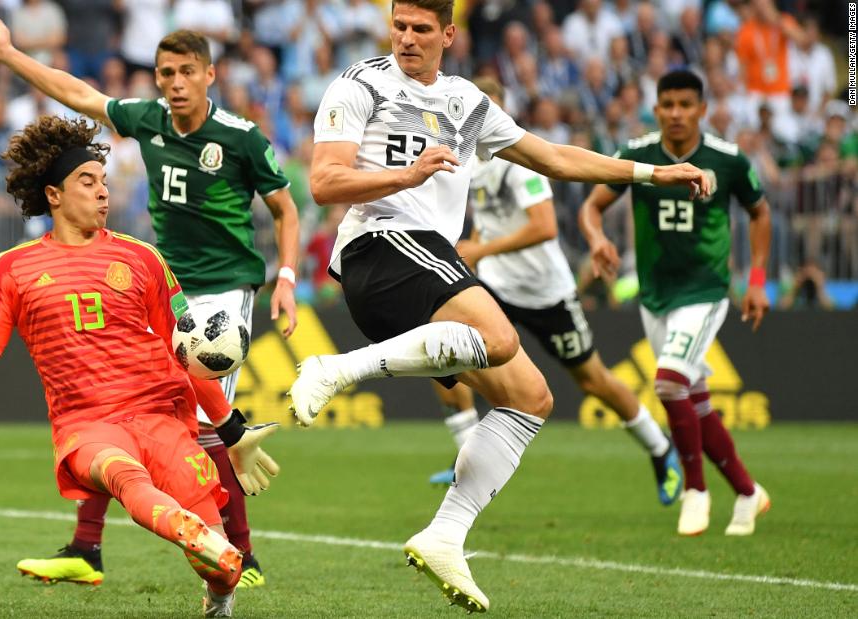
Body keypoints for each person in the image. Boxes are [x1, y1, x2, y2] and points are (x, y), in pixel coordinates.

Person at [289, 0, 712, 612]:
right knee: (500, 337)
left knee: (530, 396)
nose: (406, 39)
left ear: (449, 35)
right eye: (399, 27)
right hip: (380, 244)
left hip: (422, 258)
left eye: (421, 30)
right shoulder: (361, 84)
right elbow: (325, 182)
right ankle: (335, 369)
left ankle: (445, 534)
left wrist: (651, 174)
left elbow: (557, 158)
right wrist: (405, 178)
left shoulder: (466, 102)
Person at [0, 115, 280, 617]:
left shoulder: (144, 259)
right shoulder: (12, 269)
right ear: (54, 195)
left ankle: (217, 593)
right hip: (87, 426)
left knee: (222, 570)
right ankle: (190, 534)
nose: (102, 193)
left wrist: (232, 430)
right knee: (122, 476)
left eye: (104, 182)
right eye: (87, 182)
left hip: (161, 417)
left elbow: (189, 354)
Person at [0, 15, 300, 589]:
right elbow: (76, 92)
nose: (173, 83)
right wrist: (8, 55)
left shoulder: (241, 136)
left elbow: (285, 209)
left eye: (185, 72)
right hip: (163, 285)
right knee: (116, 403)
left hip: (223, 289)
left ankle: (240, 554)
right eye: (163, 73)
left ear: (210, 74)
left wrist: (289, 276)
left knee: (206, 422)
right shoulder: (149, 121)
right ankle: (87, 549)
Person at [424, 78, 683, 508]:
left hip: (546, 292)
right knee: (442, 348)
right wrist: (473, 248)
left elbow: (544, 227)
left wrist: (482, 248)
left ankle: (660, 449)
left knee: (593, 379)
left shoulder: (516, 161)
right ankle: (468, 455)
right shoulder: (469, 160)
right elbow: (488, 222)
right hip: (496, 285)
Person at [579, 69, 773, 537]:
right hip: (655, 295)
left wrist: (757, 280)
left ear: (702, 109)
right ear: (656, 108)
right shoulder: (639, 155)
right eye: (667, 104)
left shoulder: (726, 160)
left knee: (667, 383)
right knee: (693, 398)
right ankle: (749, 494)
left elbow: (760, 212)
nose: (676, 114)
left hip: (705, 291)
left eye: (686, 105)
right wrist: (596, 237)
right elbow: (591, 205)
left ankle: (696, 491)